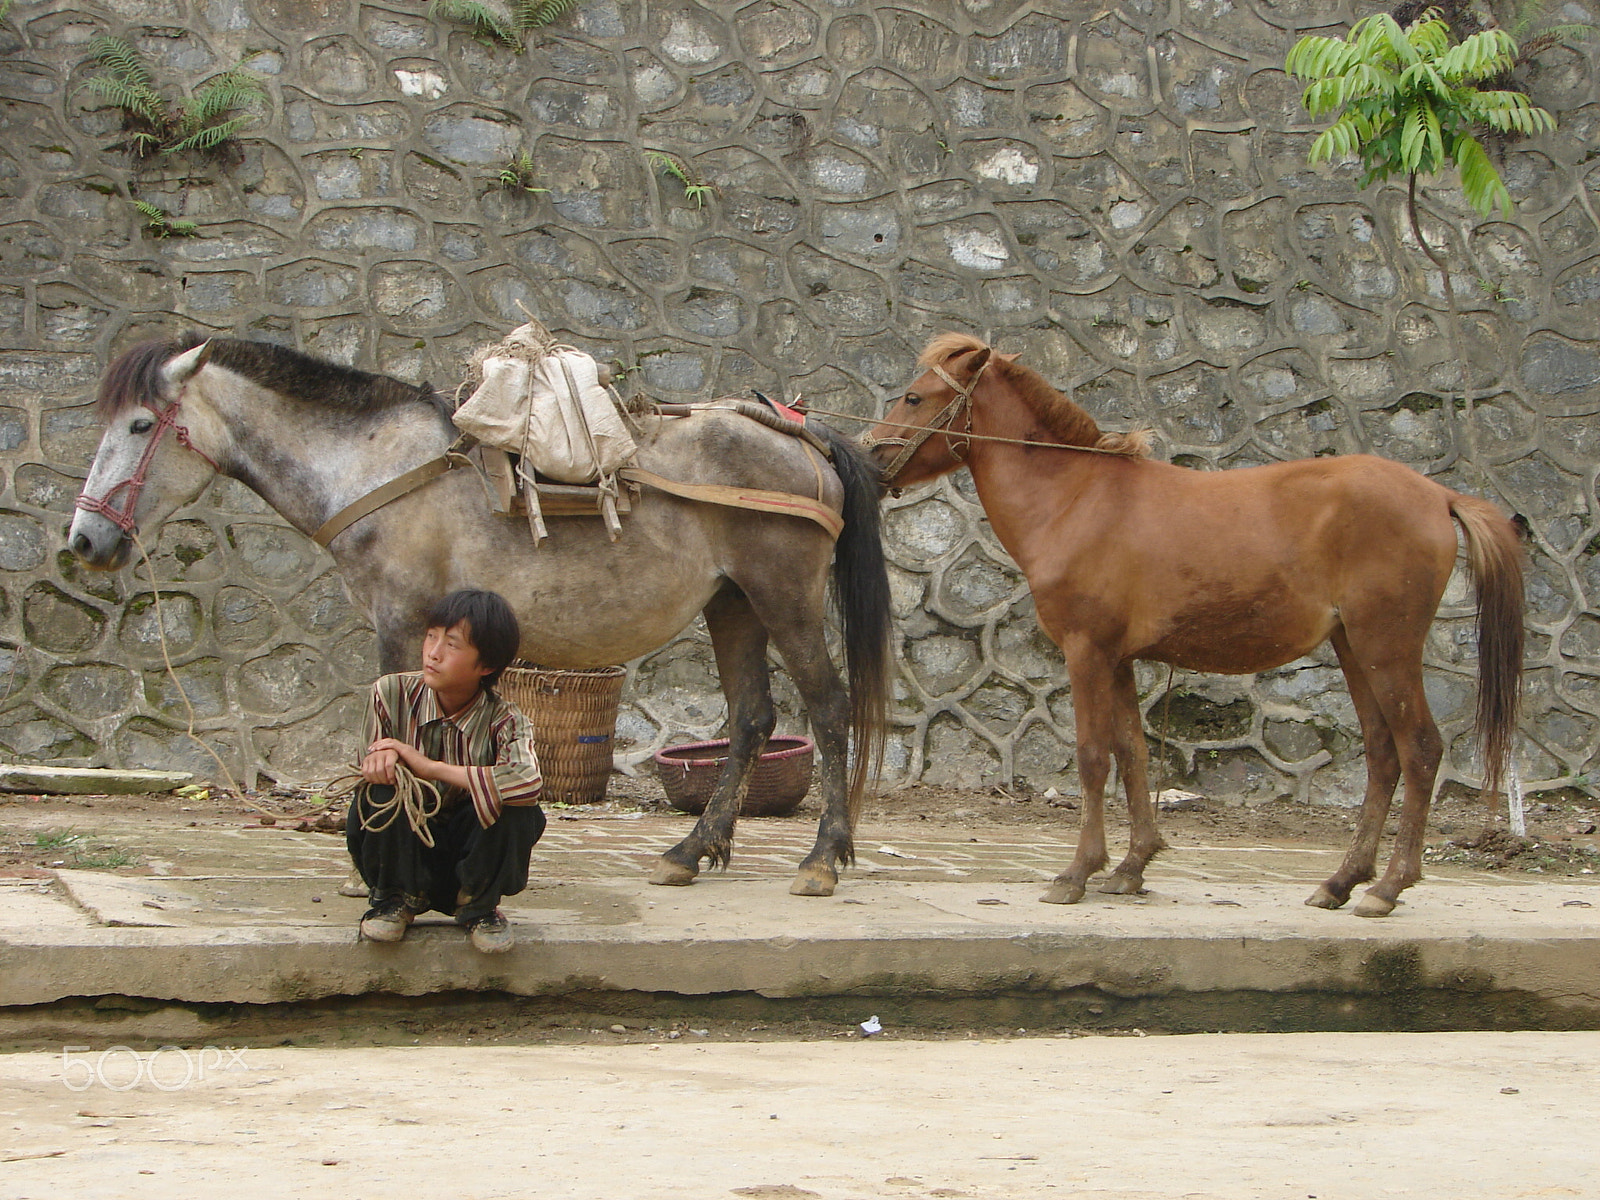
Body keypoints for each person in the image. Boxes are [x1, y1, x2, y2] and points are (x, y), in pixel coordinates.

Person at [345, 589, 544, 953]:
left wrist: (427, 766)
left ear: (486, 666)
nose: (433, 653)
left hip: (470, 856)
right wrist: (383, 765)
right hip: (405, 852)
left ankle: (478, 907)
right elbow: (367, 769)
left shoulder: (508, 720)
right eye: (431, 636)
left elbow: (528, 781)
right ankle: (393, 900)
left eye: (452, 644)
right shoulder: (389, 693)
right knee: (380, 792)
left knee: (520, 806)